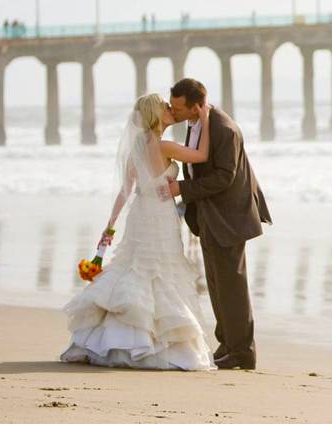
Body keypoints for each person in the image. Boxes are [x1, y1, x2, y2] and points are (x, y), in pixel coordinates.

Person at [60, 94, 215, 370]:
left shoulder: (136, 147)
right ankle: (153, 344)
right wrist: (203, 120)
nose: (170, 110)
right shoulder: (165, 146)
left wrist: (110, 225)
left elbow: (125, 191)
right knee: (160, 272)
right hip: (161, 215)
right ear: (157, 115)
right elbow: (202, 155)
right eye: (165, 108)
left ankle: (115, 339)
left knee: (134, 267)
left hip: (139, 214)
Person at [166, 78, 271, 370]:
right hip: (211, 217)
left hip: (230, 217)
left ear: (196, 106)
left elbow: (225, 176)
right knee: (216, 284)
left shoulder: (223, 129)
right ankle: (227, 345)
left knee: (232, 286)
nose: (173, 112)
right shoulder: (197, 123)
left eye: (178, 108)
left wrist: (182, 189)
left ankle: (243, 353)